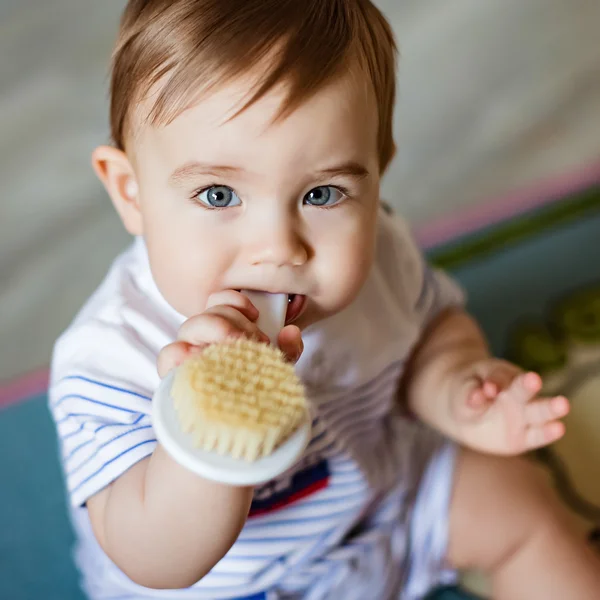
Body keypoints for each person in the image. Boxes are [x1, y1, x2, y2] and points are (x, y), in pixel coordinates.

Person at [48, 1, 600, 598]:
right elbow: (153, 558)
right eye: (217, 195)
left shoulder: (382, 253)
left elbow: (433, 329)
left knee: (522, 506)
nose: (278, 249)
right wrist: (205, 434)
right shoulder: (107, 358)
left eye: (322, 193)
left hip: (384, 506)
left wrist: (458, 389)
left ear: (377, 174)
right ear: (132, 193)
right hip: (236, 585)